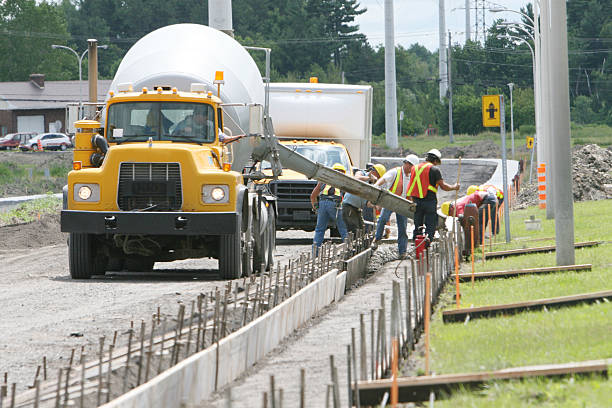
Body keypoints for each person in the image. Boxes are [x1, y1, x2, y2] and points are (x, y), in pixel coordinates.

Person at [371, 154, 420, 258]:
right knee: (383, 219)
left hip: (402, 203)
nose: (412, 169)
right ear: (407, 164)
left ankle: (402, 252)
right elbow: (383, 179)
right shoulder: (395, 171)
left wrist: (412, 203)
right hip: (391, 200)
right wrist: (375, 187)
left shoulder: (412, 176)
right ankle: (377, 239)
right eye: (412, 167)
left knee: (402, 227)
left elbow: (411, 192)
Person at [407, 148, 459, 243]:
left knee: (418, 225)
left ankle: (417, 245)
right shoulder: (434, 170)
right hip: (429, 202)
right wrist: (454, 187)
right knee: (430, 226)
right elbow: (443, 187)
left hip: (416, 201)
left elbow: (411, 185)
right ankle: (426, 244)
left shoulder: (414, 168)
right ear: (435, 160)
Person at [310, 163, 348, 254]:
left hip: (323, 203)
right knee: (343, 228)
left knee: (319, 229)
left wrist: (316, 208)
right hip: (336, 204)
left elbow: (312, 196)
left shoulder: (323, 180)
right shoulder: (344, 181)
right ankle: (349, 250)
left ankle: (315, 254)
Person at [341, 164, 386, 235]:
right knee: (354, 231)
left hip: (357, 209)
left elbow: (367, 203)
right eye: (378, 177)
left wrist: (377, 207)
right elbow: (356, 178)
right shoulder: (361, 173)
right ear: (374, 172)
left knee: (362, 231)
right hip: (349, 207)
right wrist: (368, 178)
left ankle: (359, 245)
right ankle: (353, 245)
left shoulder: (372, 186)